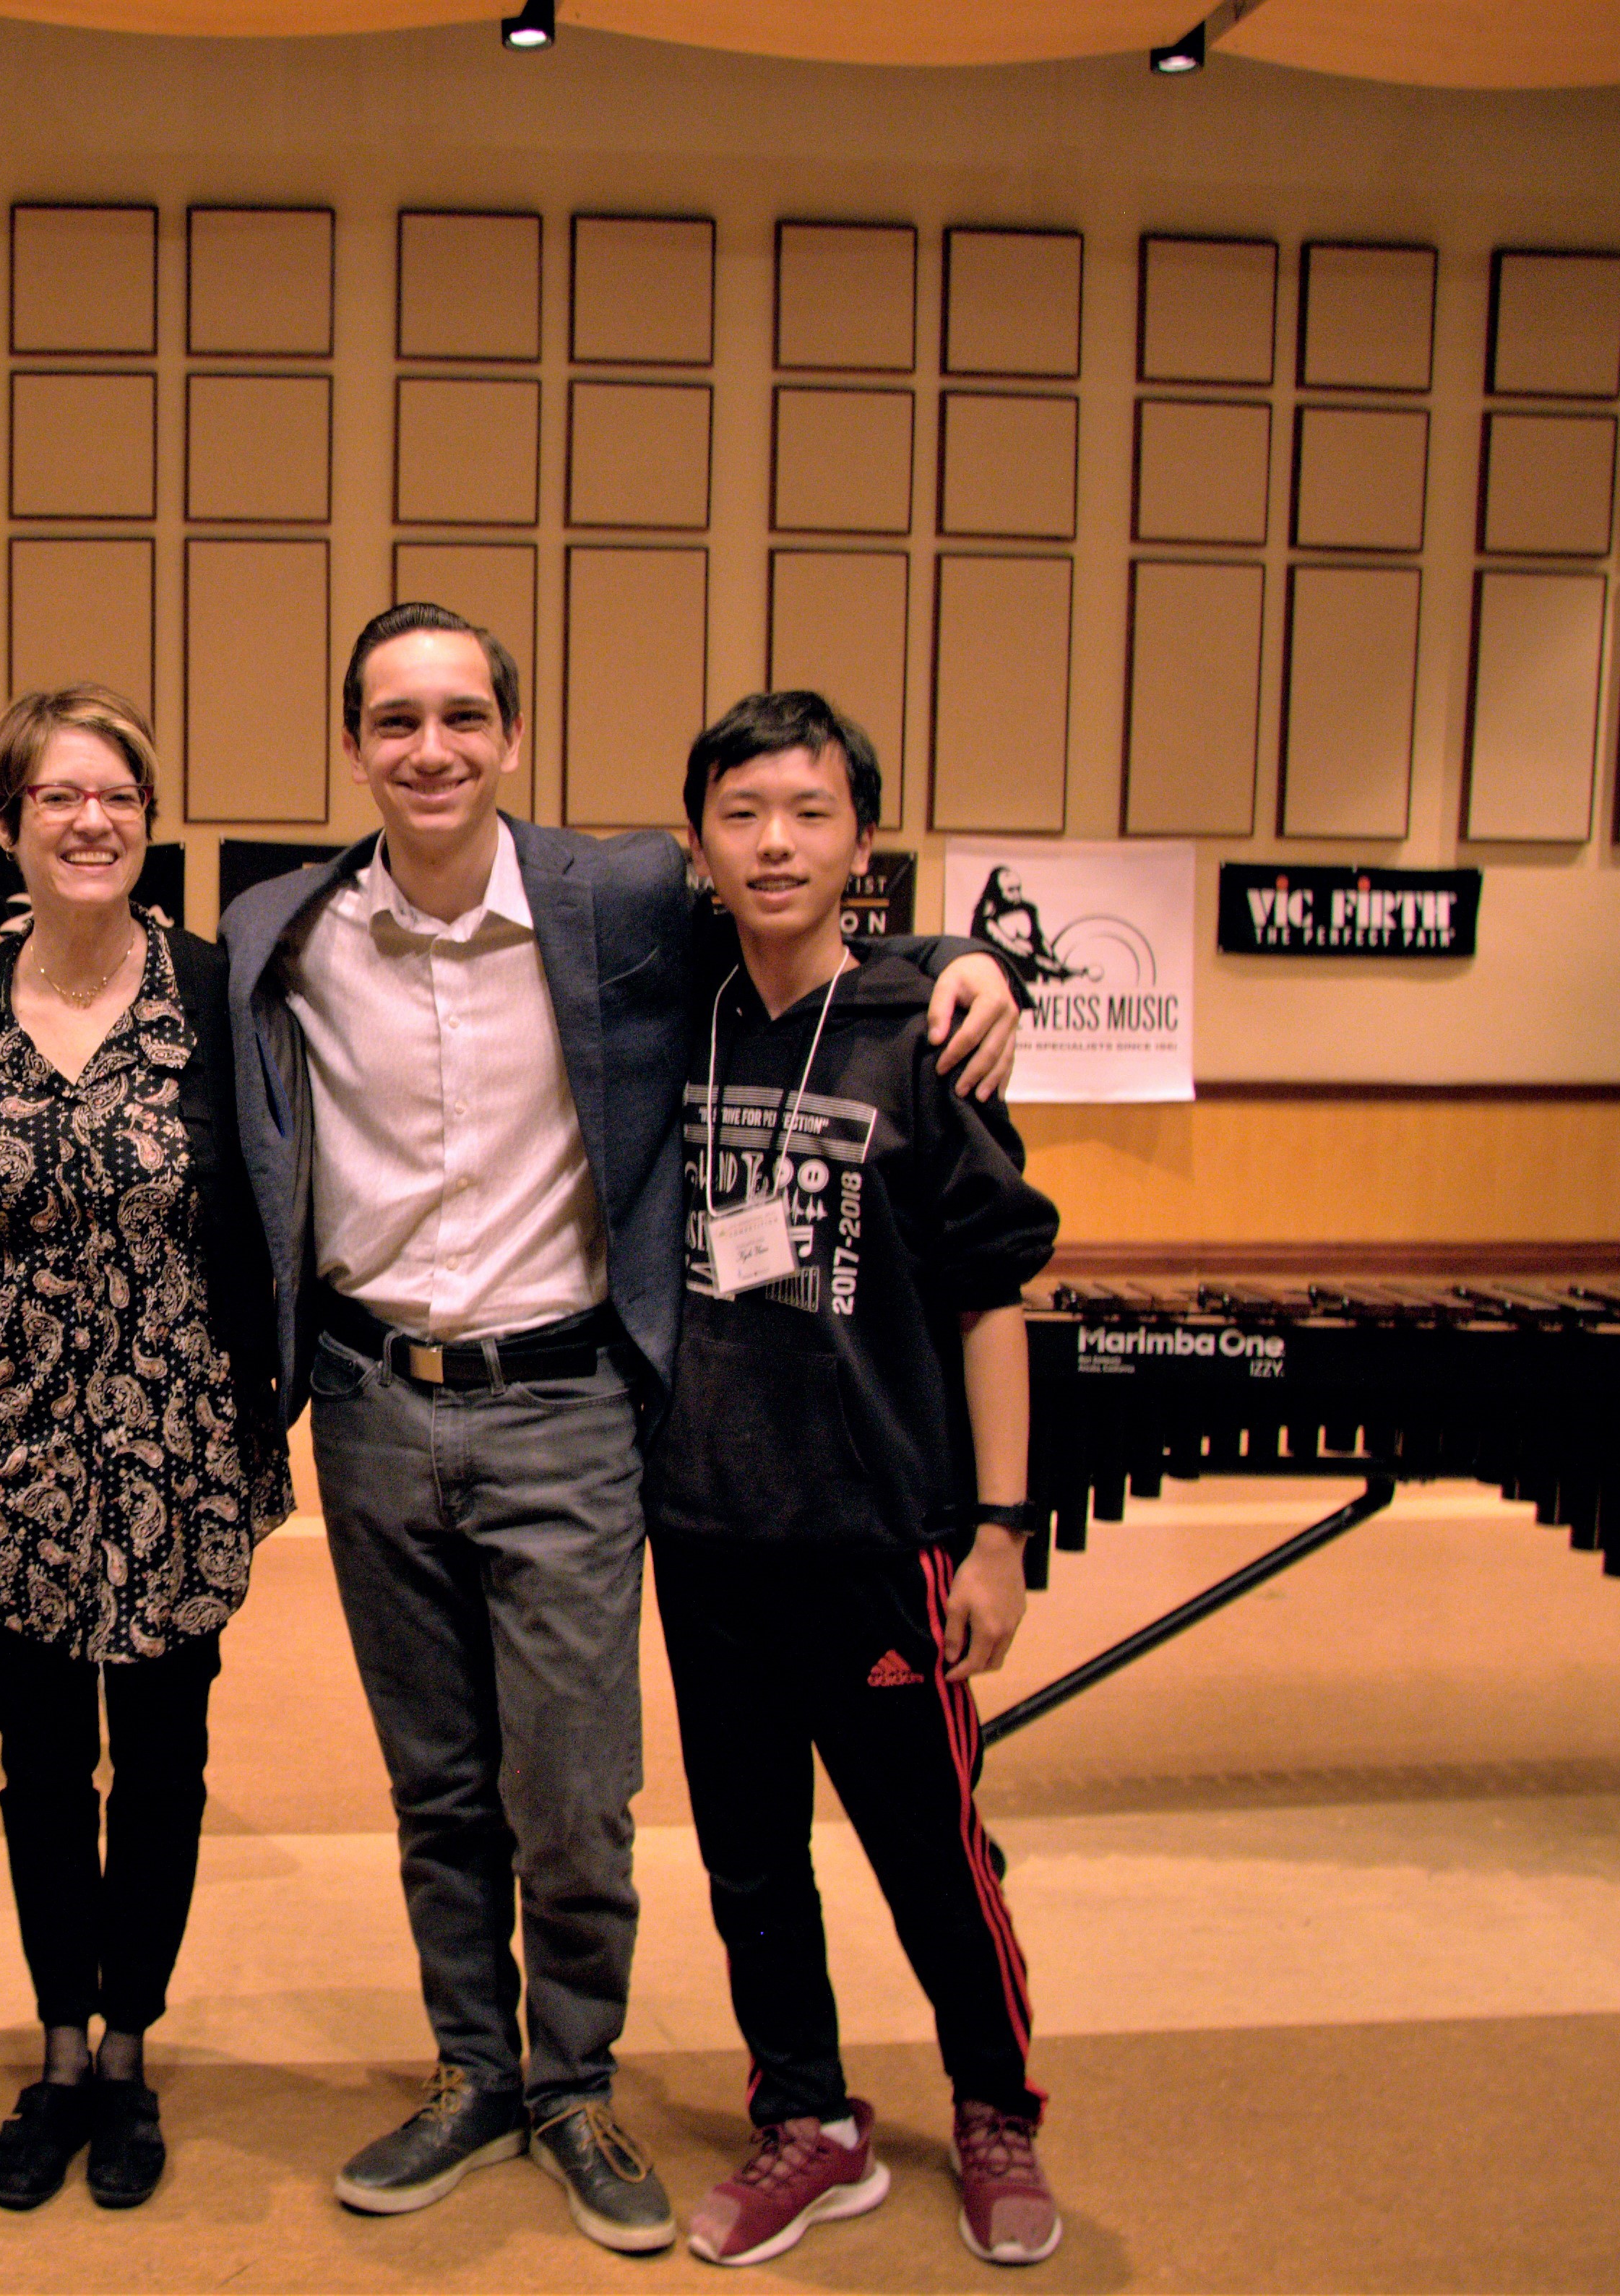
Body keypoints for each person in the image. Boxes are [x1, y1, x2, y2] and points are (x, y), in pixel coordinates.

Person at [220, 605, 1022, 2256]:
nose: (431, 746)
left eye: (463, 714)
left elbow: (801, 899)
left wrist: (968, 958)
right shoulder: (274, 928)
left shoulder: (623, 895)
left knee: (578, 1790)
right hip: (370, 1405)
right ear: (355, 744)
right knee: (439, 1783)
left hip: (570, 1405)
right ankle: (473, 2069)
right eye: (395, 719)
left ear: (512, 735)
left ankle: (575, 2081)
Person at [645, 692, 1063, 2269]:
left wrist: (1000, 1534)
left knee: (930, 1848)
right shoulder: (668, 1009)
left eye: (809, 813)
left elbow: (991, 1296)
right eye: (742, 814)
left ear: (862, 841)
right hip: (704, 1530)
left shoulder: (924, 1026)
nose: (774, 844)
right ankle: (808, 2118)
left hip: (881, 1533)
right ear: (698, 840)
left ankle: (996, 2101)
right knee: (750, 1856)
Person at [0, 687, 290, 2212]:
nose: (91, 819)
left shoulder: (215, 992)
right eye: (59, 795)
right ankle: (59, 2046)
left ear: (148, 818)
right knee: (41, 1765)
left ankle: (130, 2045)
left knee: (168, 1761)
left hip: (181, 1442)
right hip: (9, 1449)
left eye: (118, 794)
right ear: (9, 821)